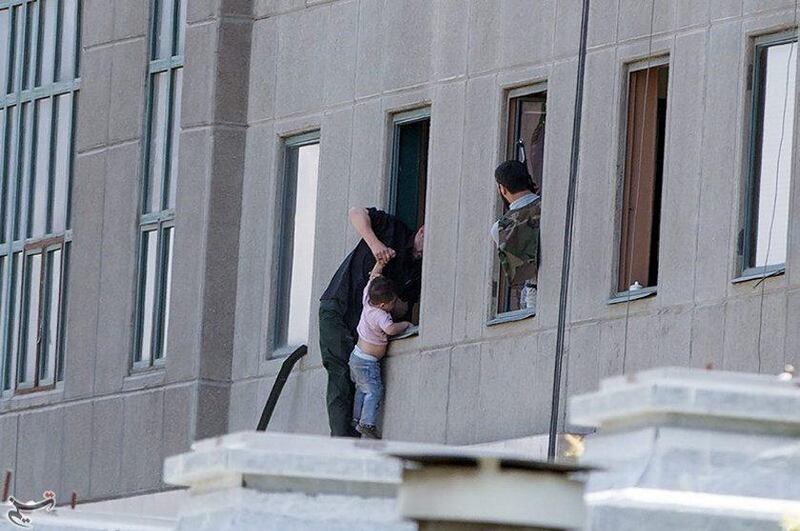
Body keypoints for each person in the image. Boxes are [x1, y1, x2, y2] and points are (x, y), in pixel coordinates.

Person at [319, 207, 424, 437]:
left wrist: (396, 309)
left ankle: (354, 437)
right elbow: (355, 212)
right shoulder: (393, 228)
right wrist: (375, 244)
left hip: (366, 331)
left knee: (359, 384)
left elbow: (405, 309)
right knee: (340, 379)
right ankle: (342, 446)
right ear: (423, 231)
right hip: (340, 308)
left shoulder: (417, 273)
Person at [349, 260, 412, 439]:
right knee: (373, 391)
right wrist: (405, 324)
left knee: (361, 390)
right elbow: (390, 330)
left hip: (356, 358)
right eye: (393, 303)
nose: (394, 306)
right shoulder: (381, 316)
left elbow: (373, 277)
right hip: (368, 362)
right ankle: (367, 423)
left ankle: (357, 418)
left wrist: (379, 263)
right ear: (384, 305)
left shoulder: (367, 299)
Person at [491, 160, 541, 312]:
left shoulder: (499, 228)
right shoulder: (550, 207)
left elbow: (521, 273)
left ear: (503, 189)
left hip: (533, 295)